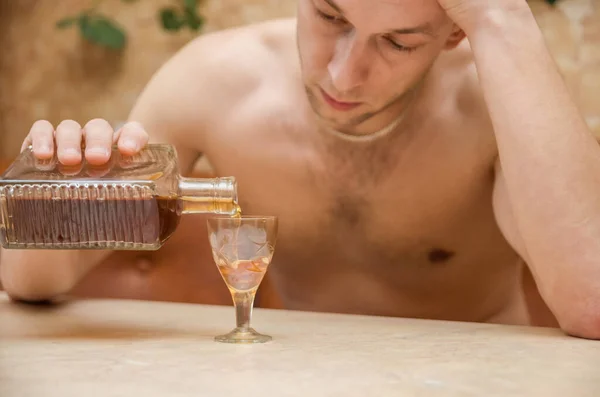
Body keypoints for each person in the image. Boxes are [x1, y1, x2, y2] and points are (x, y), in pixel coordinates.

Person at [2, 0, 600, 339]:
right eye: (329, 16)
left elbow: (591, 302)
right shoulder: (212, 82)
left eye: (397, 43)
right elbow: (31, 283)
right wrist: (53, 191)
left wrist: (501, 16)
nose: (343, 76)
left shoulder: (498, 105)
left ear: (452, 36)